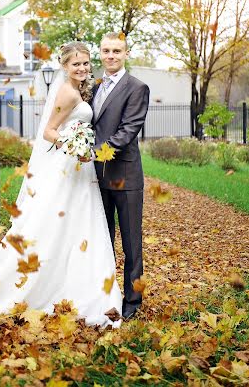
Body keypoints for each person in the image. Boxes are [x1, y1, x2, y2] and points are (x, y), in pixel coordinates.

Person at [0, 41, 122, 327]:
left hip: (80, 169)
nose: (81, 68)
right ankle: (42, 284)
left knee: (77, 225)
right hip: (68, 166)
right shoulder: (67, 93)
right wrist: (72, 145)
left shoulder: (78, 90)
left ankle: (79, 284)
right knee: (55, 225)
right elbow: (48, 132)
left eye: (84, 63)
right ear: (64, 66)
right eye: (75, 64)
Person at [91, 32, 149, 320]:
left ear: (126, 54)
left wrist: (96, 153)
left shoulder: (137, 87)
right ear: (99, 53)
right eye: (106, 50)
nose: (111, 55)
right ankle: (106, 293)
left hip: (124, 175)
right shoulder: (94, 87)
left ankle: (133, 301)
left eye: (117, 50)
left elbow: (128, 130)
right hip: (96, 178)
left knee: (131, 242)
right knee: (103, 239)